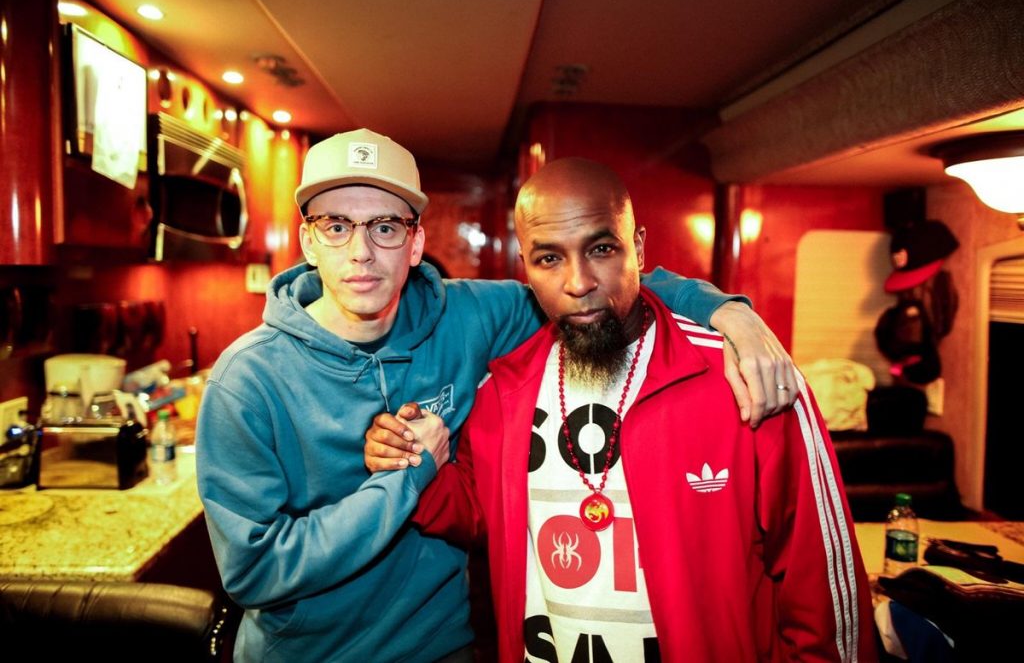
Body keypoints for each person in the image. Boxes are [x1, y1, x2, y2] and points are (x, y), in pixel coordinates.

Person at [196, 129, 798, 663]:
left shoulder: (471, 316)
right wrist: (409, 479)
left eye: (385, 227)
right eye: (336, 226)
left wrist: (727, 311)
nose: (361, 252)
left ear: (414, 242)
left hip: (441, 645)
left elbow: (599, 284)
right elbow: (254, 571)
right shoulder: (246, 380)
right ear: (308, 241)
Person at [367, 157, 876, 662]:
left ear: (639, 247)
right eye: (549, 259)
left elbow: (822, 584)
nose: (578, 282)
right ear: (526, 267)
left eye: (602, 249)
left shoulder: (743, 377)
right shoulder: (503, 390)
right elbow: (482, 513)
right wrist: (413, 463)